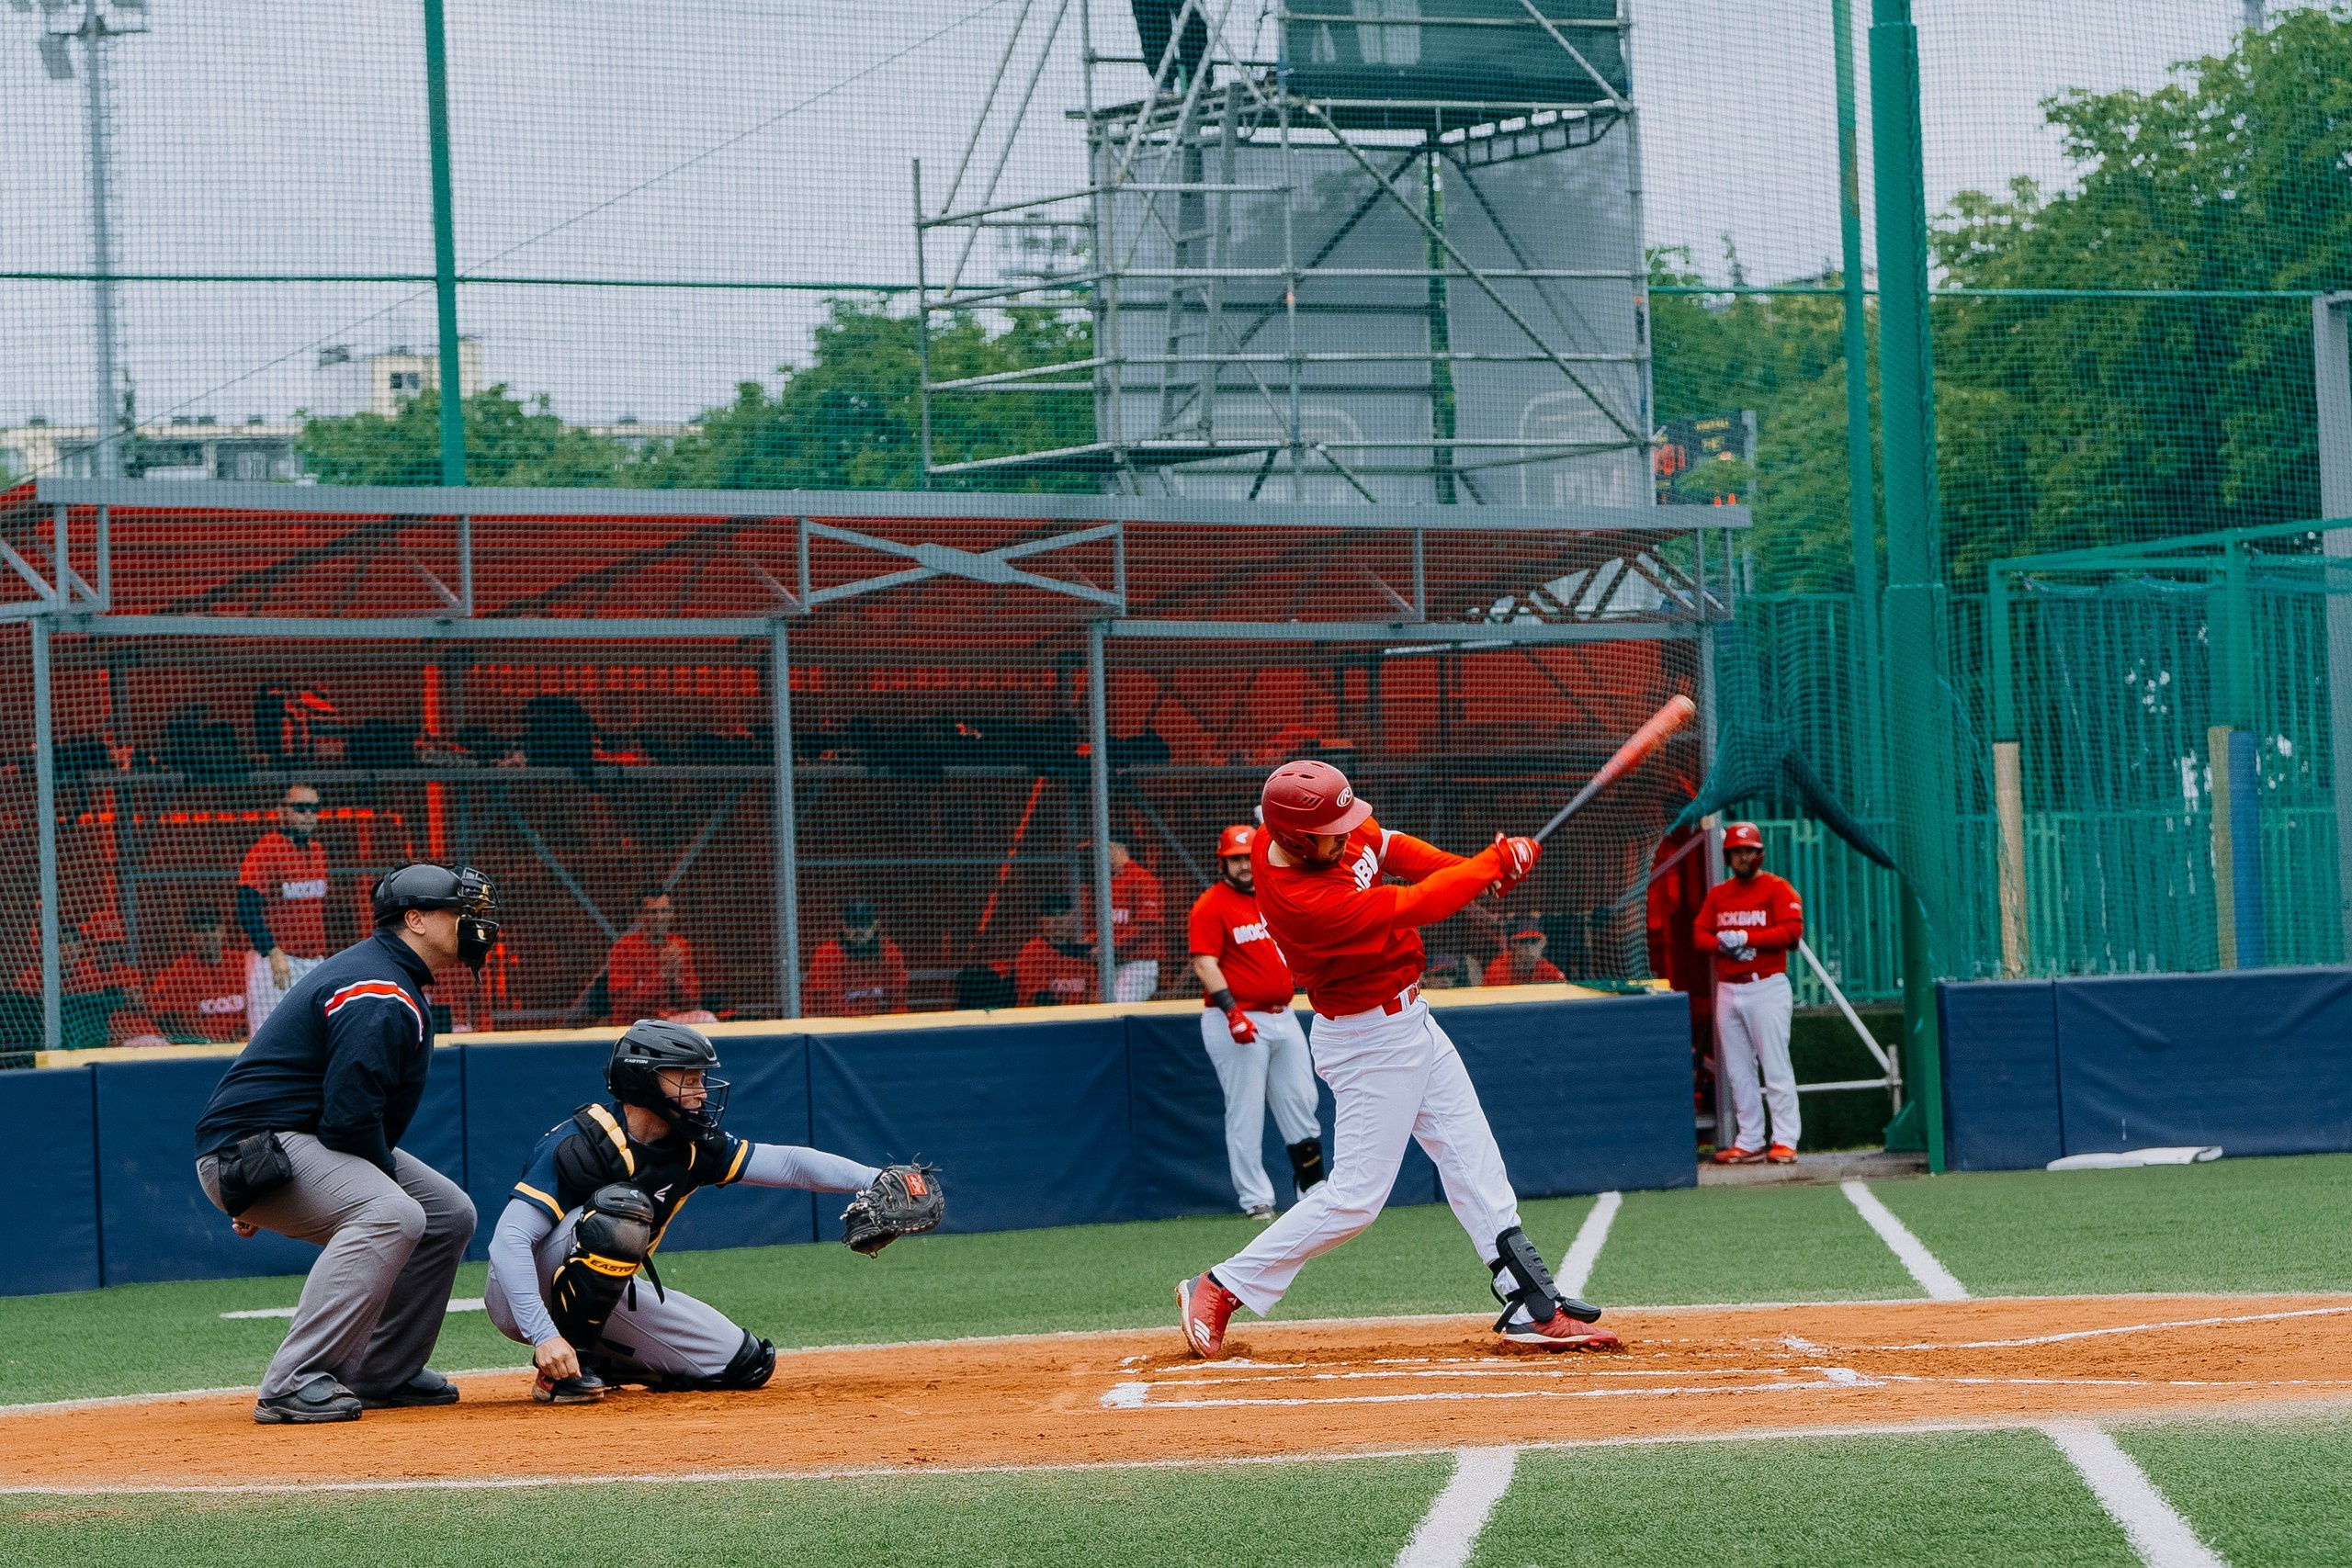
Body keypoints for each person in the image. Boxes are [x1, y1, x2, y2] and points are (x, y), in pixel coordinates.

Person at [1175, 760, 1617, 1359]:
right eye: (1332, 832)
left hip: (1410, 1018)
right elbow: (1418, 904)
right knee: (1355, 1198)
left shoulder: (1319, 827)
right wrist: (1488, 866)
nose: (1346, 834)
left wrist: (1469, 870)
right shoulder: (1305, 900)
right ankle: (1221, 1285)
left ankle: (1530, 1300)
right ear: (1295, 840)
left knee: (1473, 1158)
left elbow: (1390, 846)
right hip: (1367, 1041)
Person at [192, 863, 499, 1423]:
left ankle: (383, 1371)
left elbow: (347, 1119)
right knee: (393, 1213)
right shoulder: (378, 988)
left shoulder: (387, 974)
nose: (472, 922)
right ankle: (292, 1381)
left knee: (449, 1214)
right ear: (415, 920)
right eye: (458, 911)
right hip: (255, 1151)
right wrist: (261, 1190)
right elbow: (351, 1120)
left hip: (294, 1141)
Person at [482, 1021, 906, 1403]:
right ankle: (559, 1372)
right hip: (521, 1295)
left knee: (745, 1364)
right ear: (643, 1082)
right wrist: (544, 1334)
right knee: (619, 1214)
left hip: (604, 1289)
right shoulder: (581, 1143)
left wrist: (877, 1179)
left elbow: (790, 1164)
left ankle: (609, 1360)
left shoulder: (691, 1144)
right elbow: (509, 1241)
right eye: (687, 1079)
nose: (702, 1091)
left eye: (700, 1078)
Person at [1187, 824, 1322, 1221]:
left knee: (1302, 1101)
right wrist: (1233, 1013)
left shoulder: (1272, 896)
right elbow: (1204, 963)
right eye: (1235, 859)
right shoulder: (1211, 904)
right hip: (1235, 1017)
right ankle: (1256, 1199)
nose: (1243, 865)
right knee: (1245, 1110)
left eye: (1248, 857)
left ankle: (1313, 1189)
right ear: (1223, 863)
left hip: (1283, 1014)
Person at [1694, 821, 1804, 1166]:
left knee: (1775, 1066)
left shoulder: (1777, 888)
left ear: (1760, 855)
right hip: (1730, 988)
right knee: (1738, 1072)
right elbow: (1698, 934)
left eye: (1749, 851)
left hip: (1766, 985)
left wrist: (1746, 937)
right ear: (1727, 856)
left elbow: (1792, 933)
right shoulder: (1719, 894)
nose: (1743, 857)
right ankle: (1751, 1139)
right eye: (1737, 852)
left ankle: (1785, 1139)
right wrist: (1720, 943)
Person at [239, 784, 333, 1032]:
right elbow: (246, 909)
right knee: (271, 1037)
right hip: (276, 961)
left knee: (314, 1037)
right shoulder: (265, 851)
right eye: (300, 808)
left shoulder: (318, 851)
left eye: (314, 808)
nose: (308, 814)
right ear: (282, 810)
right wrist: (272, 951)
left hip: (313, 961)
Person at [605, 886, 709, 1024]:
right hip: (637, 1024)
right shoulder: (624, 948)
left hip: (670, 1020)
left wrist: (676, 980)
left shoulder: (680, 945)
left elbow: (694, 1001)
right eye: (653, 912)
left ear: (671, 913)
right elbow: (623, 1008)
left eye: (664, 911)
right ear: (640, 914)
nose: (660, 918)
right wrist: (662, 976)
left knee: (707, 1018)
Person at [153, 905, 253, 1043]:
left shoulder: (244, 963)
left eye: (212, 929)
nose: (207, 936)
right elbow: (175, 1022)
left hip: (246, 1041)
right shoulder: (177, 972)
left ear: (222, 931)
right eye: (200, 931)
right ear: (189, 936)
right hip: (204, 1047)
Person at [805, 899, 909, 1017]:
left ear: (876, 925)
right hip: (830, 1022)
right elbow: (832, 1006)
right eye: (853, 925)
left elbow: (899, 1002)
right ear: (843, 926)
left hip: (871, 1021)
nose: (859, 931)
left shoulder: (890, 953)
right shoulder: (827, 955)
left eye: (865, 925)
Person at [1092, 840, 1165, 1002]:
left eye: (1104, 848)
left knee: (1117, 1011)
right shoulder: (1109, 882)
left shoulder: (1142, 878)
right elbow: (1110, 925)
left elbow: (1147, 928)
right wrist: (1087, 944)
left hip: (1138, 965)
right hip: (1113, 965)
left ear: (1120, 848)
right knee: (1101, 1010)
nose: (1098, 855)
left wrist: (1108, 948)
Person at [1014, 894, 1096, 1007]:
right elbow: (1043, 1000)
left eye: (1062, 914)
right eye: (1051, 915)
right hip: (1042, 1016)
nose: (1058, 920)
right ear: (1041, 920)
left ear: (1072, 917)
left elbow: (1095, 999)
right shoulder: (1033, 951)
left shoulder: (1085, 955)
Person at [1484, 919, 1566, 987]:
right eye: (1523, 941)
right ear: (1513, 944)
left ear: (1543, 943)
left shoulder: (1549, 972)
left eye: (1534, 941)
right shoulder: (1497, 970)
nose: (1529, 948)